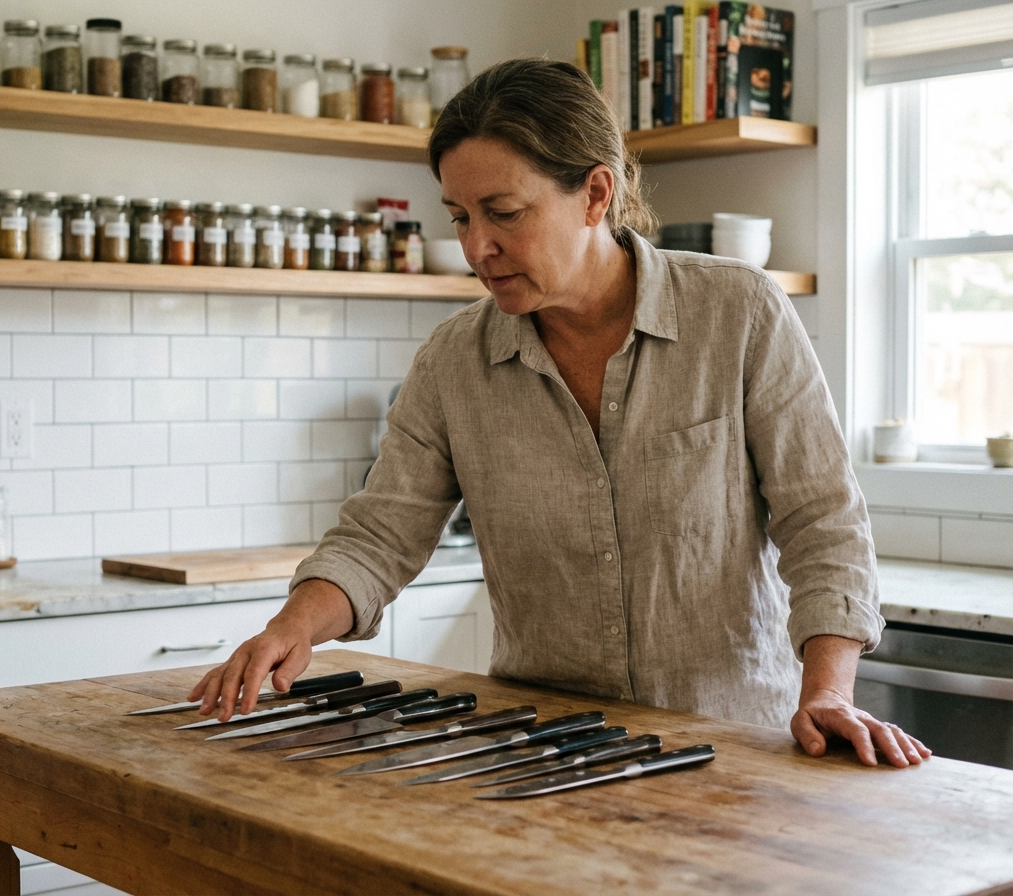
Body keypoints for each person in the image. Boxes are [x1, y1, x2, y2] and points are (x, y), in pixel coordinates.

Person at [190, 58, 931, 768]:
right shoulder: (453, 363)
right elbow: (379, 536)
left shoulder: (739, 313)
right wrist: (290, 628)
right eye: (459, 218)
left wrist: (827, 692)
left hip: (732, 740)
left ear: (596, 194)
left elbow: (823, 520)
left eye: (504, 213)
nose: (479, 247)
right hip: (545, 749)